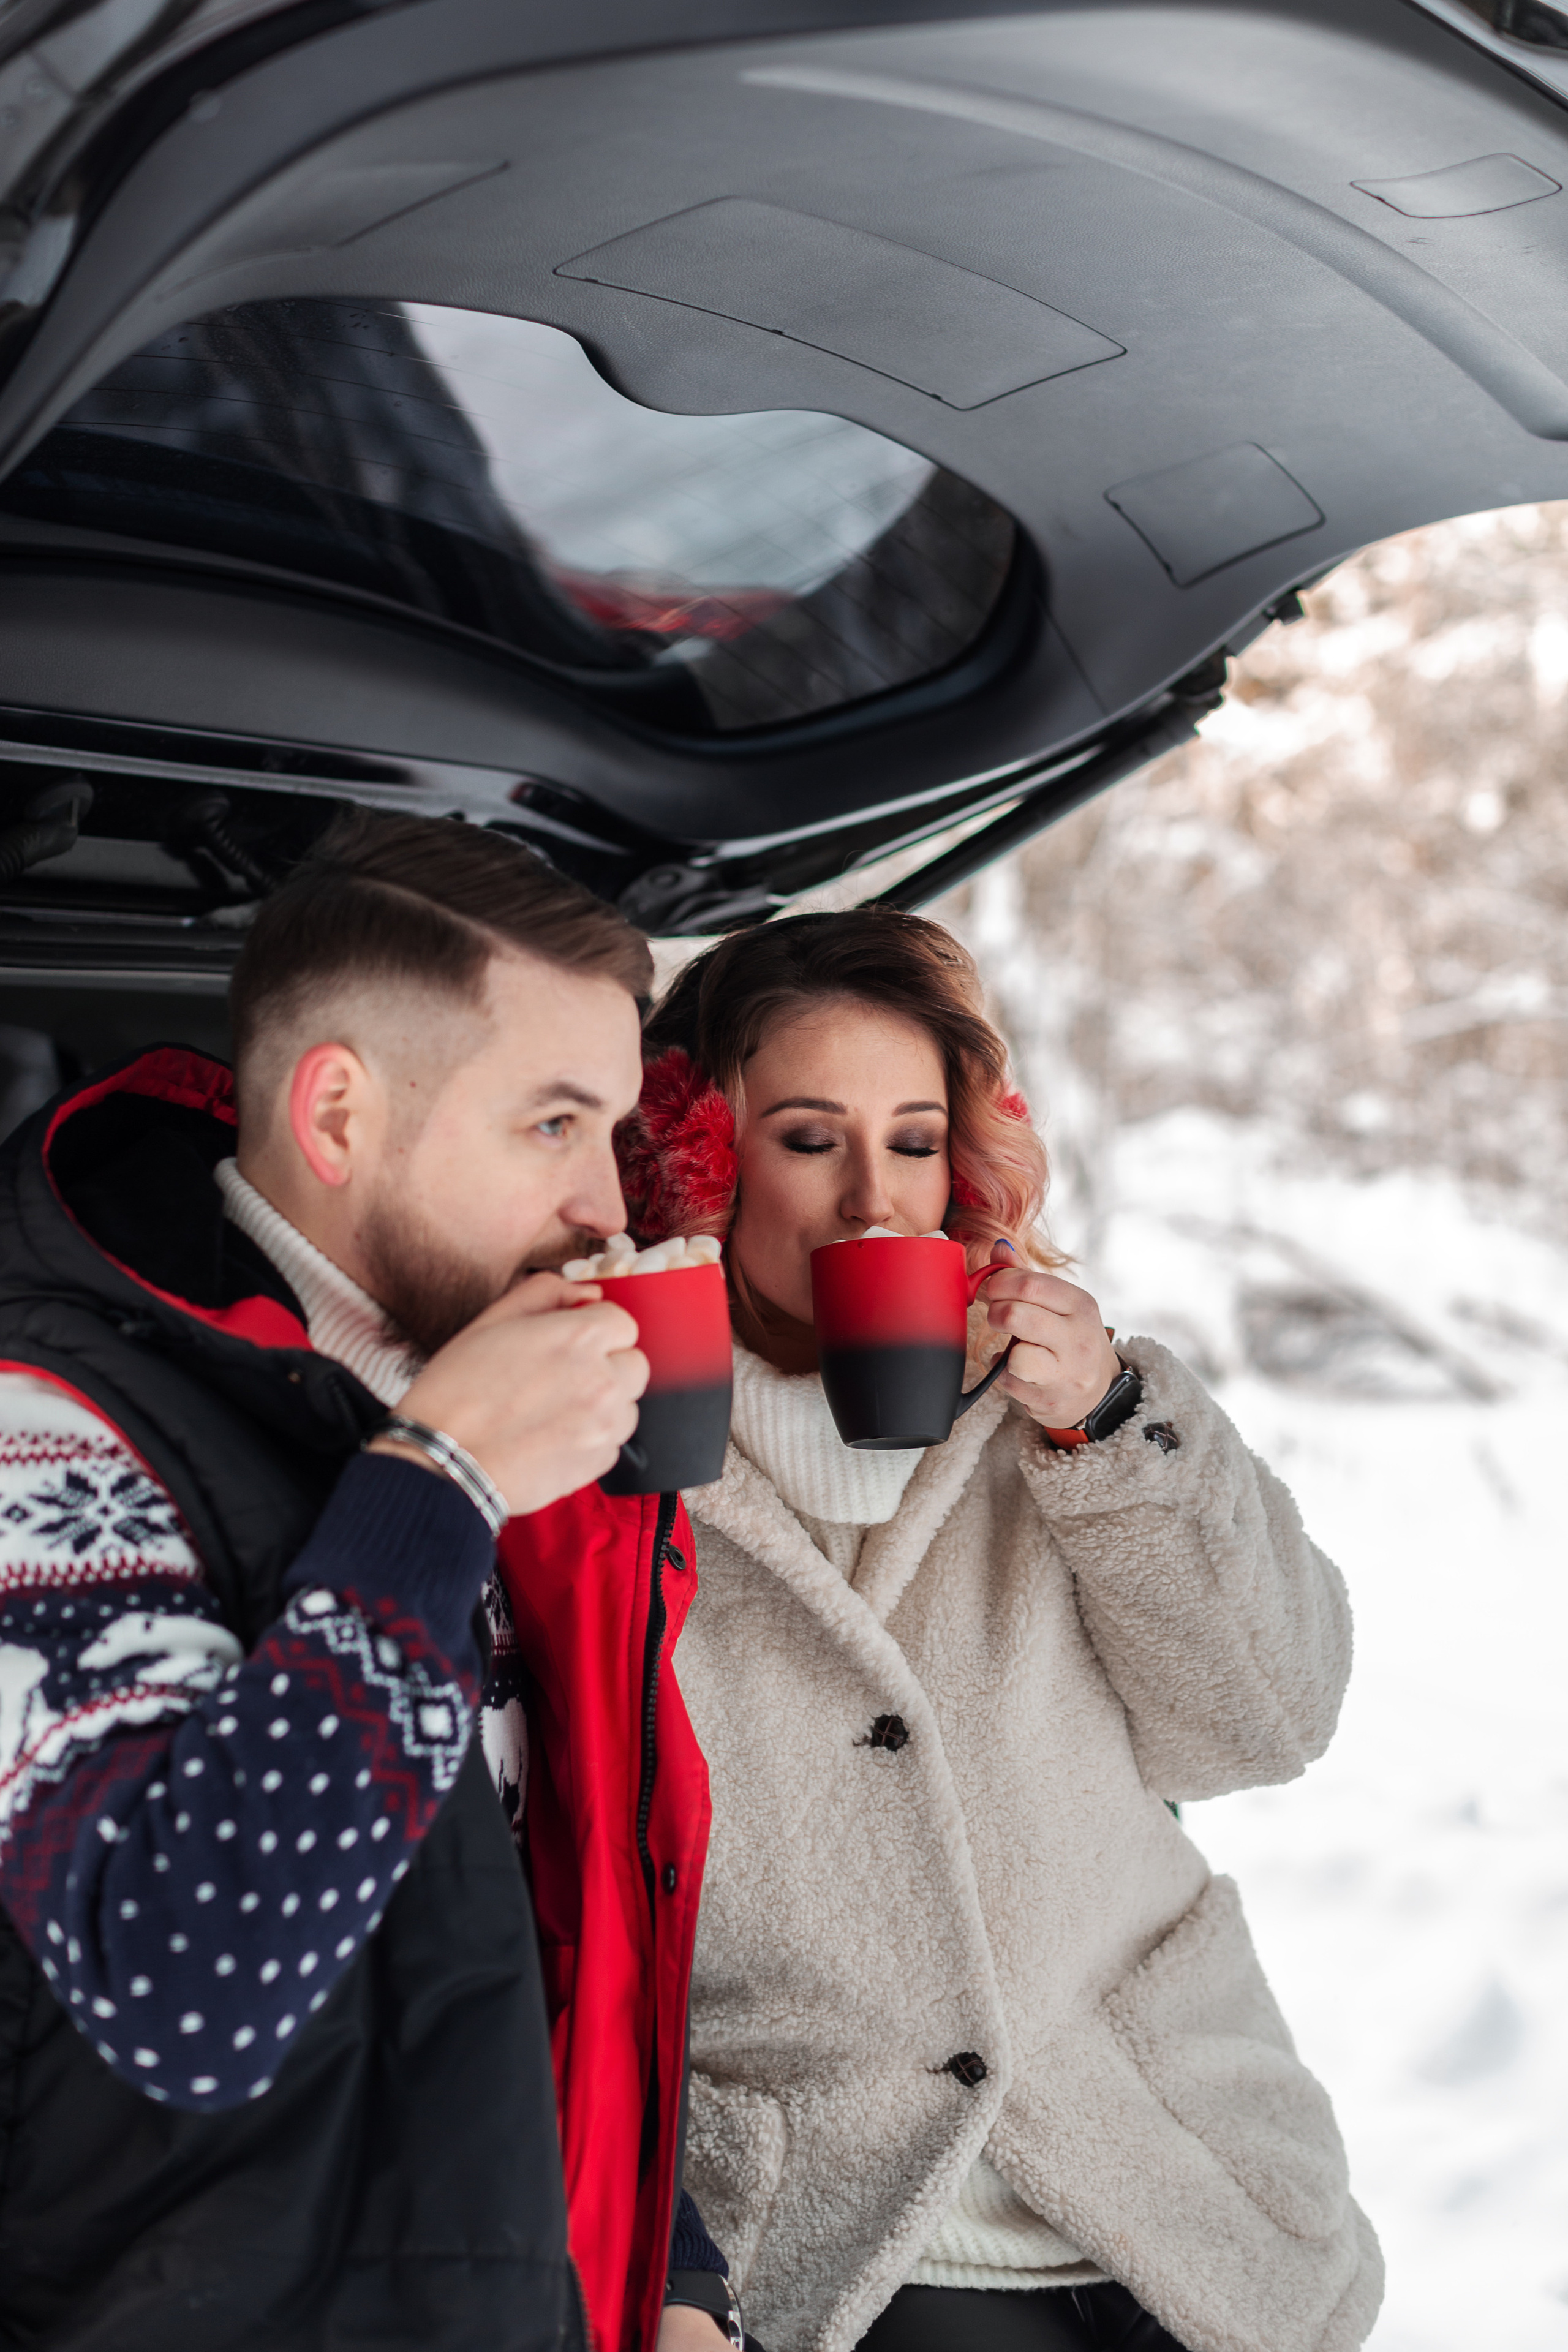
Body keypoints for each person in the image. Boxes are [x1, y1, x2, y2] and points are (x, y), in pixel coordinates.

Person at [0, 812, 732, 2352]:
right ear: (337, 1114)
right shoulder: (43, 1433)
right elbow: (187, 1986)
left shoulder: (492, 1405)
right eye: (551, 1126)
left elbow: (515, 1919)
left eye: (608, 1132)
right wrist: (437, 1488)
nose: (607, 1208)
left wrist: (667, 2269)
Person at [614, 908, 1384, 2352]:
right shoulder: (616, 1458)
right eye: (807, 1138)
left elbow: (1268, 1720)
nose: (873, 1201)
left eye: (911, 1142)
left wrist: (1110, 1428)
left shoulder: (1067, 1418)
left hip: (1181, 2189)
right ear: (692, 1159)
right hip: (846, 2238)